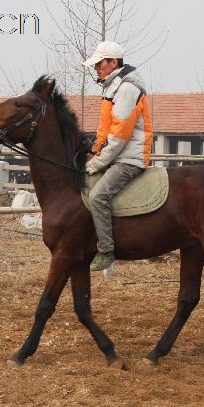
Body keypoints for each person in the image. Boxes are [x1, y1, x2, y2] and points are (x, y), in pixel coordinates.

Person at [82, 41, 153, 271]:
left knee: (97, 197)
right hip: (116, 155)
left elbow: (119, 137)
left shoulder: (126, 89)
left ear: (113, 62)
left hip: (128, 159)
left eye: (99, 64)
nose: (96, 69)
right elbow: (106, 130)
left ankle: (106, 250)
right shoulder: (112, 86)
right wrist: (93, 149)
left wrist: (96, 163)